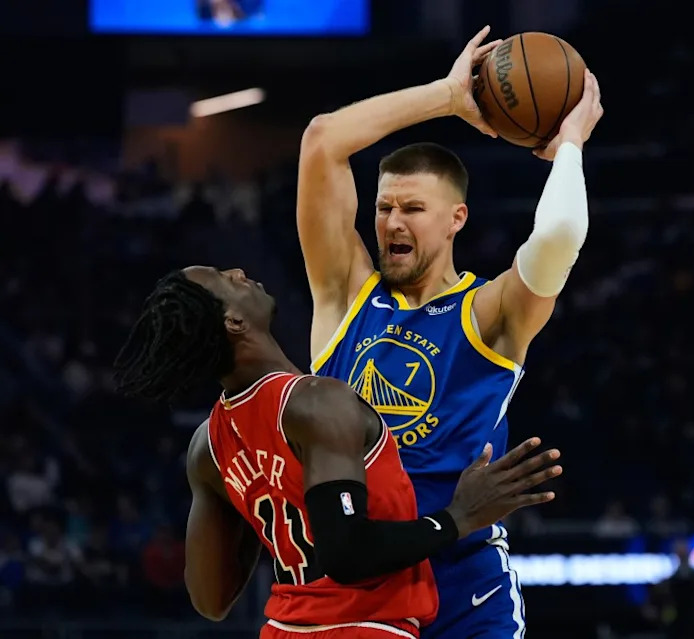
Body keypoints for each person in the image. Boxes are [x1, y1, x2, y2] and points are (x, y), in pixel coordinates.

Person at [296, 25, 603, 638]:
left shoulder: (489, 313)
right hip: (356, 582)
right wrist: (447, 96)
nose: (391, 222)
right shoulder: (344, 292)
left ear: (456, 218)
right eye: (384, 208)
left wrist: (569, 144)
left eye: (412, 209)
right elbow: (323, 140)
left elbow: (560, 238)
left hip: (461, 586)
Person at [113, 267, 562, 639]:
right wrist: (460, 516)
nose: (238, 272)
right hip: (363, 628)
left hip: (284, 629)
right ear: (233, 322)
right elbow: (346, 556)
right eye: (224, 280)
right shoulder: (317, 401)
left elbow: (210, 599)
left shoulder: (207, 446)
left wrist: (260, 506)